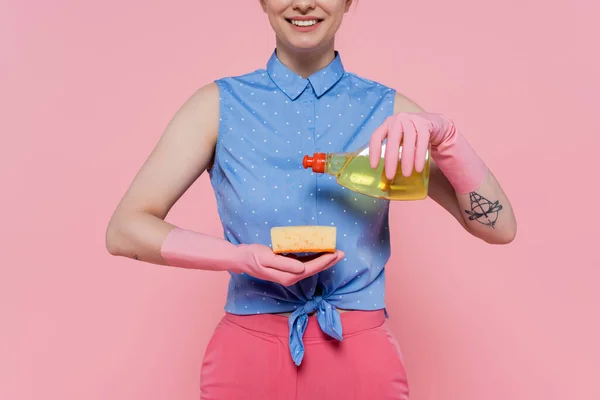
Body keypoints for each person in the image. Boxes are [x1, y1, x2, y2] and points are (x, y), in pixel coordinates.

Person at [106, 0, 517, 398]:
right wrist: (238, 258)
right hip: (246, 360)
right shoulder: (216, 106)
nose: (304, 3)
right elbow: (125, 229)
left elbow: (498, 228)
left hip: (361, 361)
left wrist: (449, 139)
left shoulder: (391, 112)